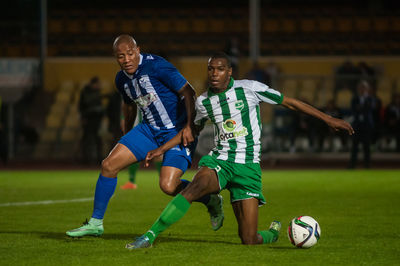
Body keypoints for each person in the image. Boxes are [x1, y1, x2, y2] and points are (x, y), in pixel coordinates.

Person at [126, 52, 354, 249]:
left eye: (220, 69)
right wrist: (161, 149)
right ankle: (150, 235)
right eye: (210, 69)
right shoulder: (203, 102)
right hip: (220, 162)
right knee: (193, 188)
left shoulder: (251, 89)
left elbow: (290, 102)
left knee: (249, 239)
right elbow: (190, 131)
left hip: (248, 168)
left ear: (229, 72)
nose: (214, 73)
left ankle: (273, 233)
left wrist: (328, 119)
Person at [66, 35, 223, 237]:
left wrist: (188, 126)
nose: (126, 59)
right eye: (121, 56)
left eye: (130, 54)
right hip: (148, 130)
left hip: (175, 131)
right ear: (116, 57)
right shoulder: (121, 79)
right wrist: (127, 133)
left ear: (138, 50)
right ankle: (96, 223)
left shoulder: (157, 66)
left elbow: (188, 91)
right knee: (108, 165)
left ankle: (210, 199)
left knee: (168, 186)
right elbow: (129, 104)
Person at [349, 80, 375, 169]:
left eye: (364, 88)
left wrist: (360, 108)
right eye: (360, 88)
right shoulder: (355, 98)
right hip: (357, 125)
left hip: (367, 125)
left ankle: (367, 165)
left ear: (367, 89)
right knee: (354, 146)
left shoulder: (371, 99)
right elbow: (353, 109)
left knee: (366, 146)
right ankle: (352, 165)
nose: (362, 89)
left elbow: (371, 109)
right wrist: (362, 108)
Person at [79, 76, 105, 164]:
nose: (99, 86)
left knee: (97, 140)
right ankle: (86, 159)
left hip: (97, 120)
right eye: (97, 84)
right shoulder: (86, 93)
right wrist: (83, 117)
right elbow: (82, 106)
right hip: (89, 120)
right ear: (93, 84)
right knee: (88, 140)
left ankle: (98, 159)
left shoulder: (97, 93)